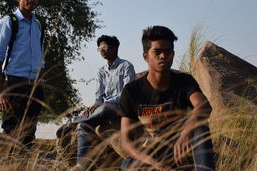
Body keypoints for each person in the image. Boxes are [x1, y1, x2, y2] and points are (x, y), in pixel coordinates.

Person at [119, 26, 215, 170]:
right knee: (128, 165)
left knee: (199, 126)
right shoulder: (132, 91)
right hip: (151, 158)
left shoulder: (184, 81)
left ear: (173, 53)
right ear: (145, 56)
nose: (163, 56)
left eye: (168, 51)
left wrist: (185, 134)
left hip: (180, 154)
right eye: (157, 52)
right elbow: (126, 142)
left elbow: (203, 106)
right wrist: (152, 163)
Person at [0, 0, 45, 147]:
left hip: (34, 86)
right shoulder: (8, 22)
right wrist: (0, 92)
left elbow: (41, 59)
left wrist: (40, 83)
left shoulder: (38, 25)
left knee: (29, 134)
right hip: (14, 83)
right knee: (12, 132)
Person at [76, 35, 136, 166]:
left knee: (103, 108)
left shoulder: (126, 66)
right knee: (83, 124)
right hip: (105, 107)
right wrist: (93, 107)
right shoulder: (101, 71)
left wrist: (105, 103)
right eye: (99, 48)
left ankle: (73, 121)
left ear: (114, 48)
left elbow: (127, 94)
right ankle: (81, 166)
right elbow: (98, 97)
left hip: (121, 106)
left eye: (104, 47)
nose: (101, 50)